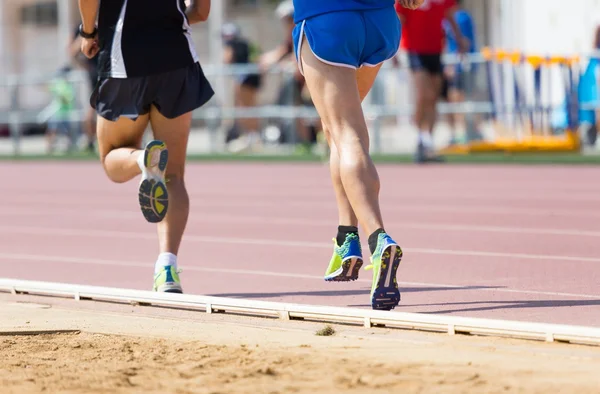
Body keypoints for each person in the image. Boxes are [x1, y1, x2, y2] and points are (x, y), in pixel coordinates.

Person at [291, 0, 423, 310]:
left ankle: (378, 239)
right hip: (379, 22)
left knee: (345, 132)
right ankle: (346, 236)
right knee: (340, 129)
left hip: (327, 19)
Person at [78, 0, 214, 293]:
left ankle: (141, 159)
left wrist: (88, 33)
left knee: (112, 162)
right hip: (177, 59)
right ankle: (167, 268)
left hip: (124, 58)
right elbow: (201, 11)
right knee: (174, 174)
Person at [396, 0, 468, 162]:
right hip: (415, 50)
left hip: (435, 50)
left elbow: (450, 16)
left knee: (433, 97)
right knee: (424, 95)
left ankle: (427, 140)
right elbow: (400, 19)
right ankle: (420, 136)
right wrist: (394, 49)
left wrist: (459, 41)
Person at [442, 0, 480, 145]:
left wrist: (452, 65)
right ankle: (462, 131)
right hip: (456, 63)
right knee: (455, 98)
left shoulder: (461, 17)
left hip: (461, 65)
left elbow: (464, 42)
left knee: (460, 98)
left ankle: (464, 132)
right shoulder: (459, 17)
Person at [221, 22, 263, 152]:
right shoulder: (246, 43)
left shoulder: (231, 45)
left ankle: (251, 137)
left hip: (244, 79)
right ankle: (252, 137)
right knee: (249, 107)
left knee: (244, 108)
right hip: (251, 79)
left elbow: (227, 59)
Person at [69, 25, 99, 153]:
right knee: (92, 108)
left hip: (110, 69)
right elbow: (72, 50)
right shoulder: (81, 27)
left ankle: (95, 140)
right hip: (95, 72)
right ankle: (90, 140)